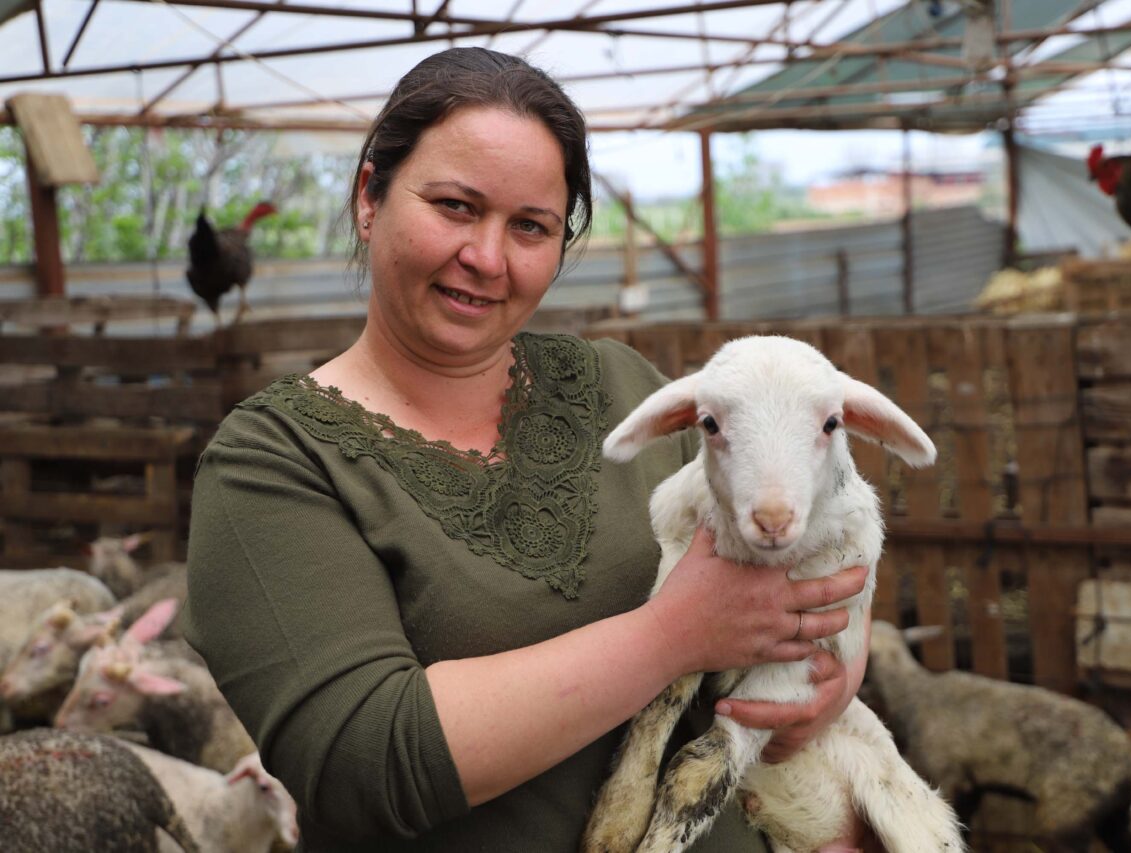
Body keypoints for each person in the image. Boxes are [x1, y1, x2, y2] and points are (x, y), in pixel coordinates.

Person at [182, 47, 872, 852]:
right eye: (454, 206)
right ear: (370, 195)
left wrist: (825, 687)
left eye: (530, 226)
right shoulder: (273, 463)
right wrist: (674, 633)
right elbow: (365, 762)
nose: (487, 257)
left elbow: (812, 549)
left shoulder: (623, 387)